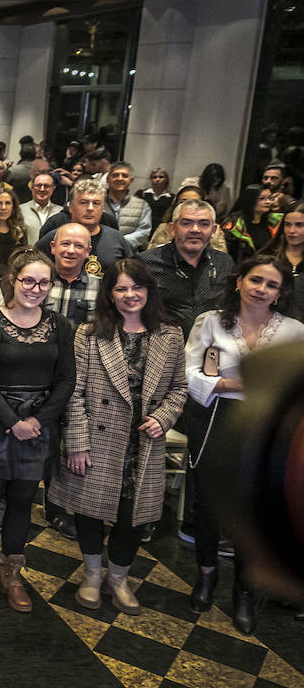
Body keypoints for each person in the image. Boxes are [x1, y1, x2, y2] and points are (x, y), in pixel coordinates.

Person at [48, 259, 187, 617]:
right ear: (109, 294)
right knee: (89, 509)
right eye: (120, 288)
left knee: (134, 515)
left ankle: (119, 578)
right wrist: (76, 442)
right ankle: (93, 575)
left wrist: (163, 416)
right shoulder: (89, 333)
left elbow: (179, 388)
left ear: (148, 290)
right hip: (98, 438)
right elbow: (74, 391)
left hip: (144, 441)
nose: (129, 295)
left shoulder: (170, 334)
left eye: (136, 287)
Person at [183, 256, 303, 634]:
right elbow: (188, 370)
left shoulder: (295, 331)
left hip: (266, 427)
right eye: (255, 280)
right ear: (239, 281)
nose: (261, 289)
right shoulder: (211, 321)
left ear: (280, 293)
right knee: (206, 503)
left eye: (271, 284)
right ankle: (205, 577)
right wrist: (226, 385)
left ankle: (246, 593)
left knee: (254, 509)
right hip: (214, 415)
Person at [0, 250, 75, 611]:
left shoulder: (60, 326)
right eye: (28, 280)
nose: (35, 288)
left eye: (44, 282)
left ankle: (11, 573)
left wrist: (37, 422)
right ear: (13, 279)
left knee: (23, 501)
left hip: (38, 424)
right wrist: (14, 421)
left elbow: (66, 381)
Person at [138, 199, 234, 336]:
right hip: (159, 347)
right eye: (186, 223)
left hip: (209, 347)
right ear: (172, 229)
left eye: (204, 224)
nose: (195, 230)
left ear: (213, 230)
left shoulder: (224, 263)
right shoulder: (145, 263)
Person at [38, 179, 133, 275]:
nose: (90, 208)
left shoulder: (117, 238)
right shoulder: (55, 237)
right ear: (70, 207)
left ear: (102, 208)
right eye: (83, 202)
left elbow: (131, 273)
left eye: (96, 203)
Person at [221, 185, 281, 261]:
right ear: (250, 200)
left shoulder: (274, 222)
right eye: (262, 198)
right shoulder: (233, 225)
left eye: (270, 198)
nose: (268, 202)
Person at [268, 202, 304, 321]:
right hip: (269, 328)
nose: (291, 230)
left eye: (299, 225)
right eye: (287, 225)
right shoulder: (268, 255)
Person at [104, 162, 152, 251]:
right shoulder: (97, 203)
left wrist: (121, 242)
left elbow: (144, 231)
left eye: (124, 176)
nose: (119, 178)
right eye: (115, 175)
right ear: (107, 179)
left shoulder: (142, 205)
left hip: (129, 255)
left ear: (131, 180)